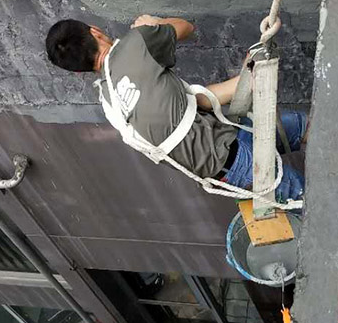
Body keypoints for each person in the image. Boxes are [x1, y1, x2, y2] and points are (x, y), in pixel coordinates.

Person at [45, 15, 306, 201]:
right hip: (231, 155)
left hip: (224, 162)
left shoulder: (110, 105)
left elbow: (195, 102)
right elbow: (186, 27)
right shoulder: (135, 43)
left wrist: (247, 78)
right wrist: (153, 23)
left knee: (300, 127)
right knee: (308, 199)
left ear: (78, 73)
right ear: (94, 31)